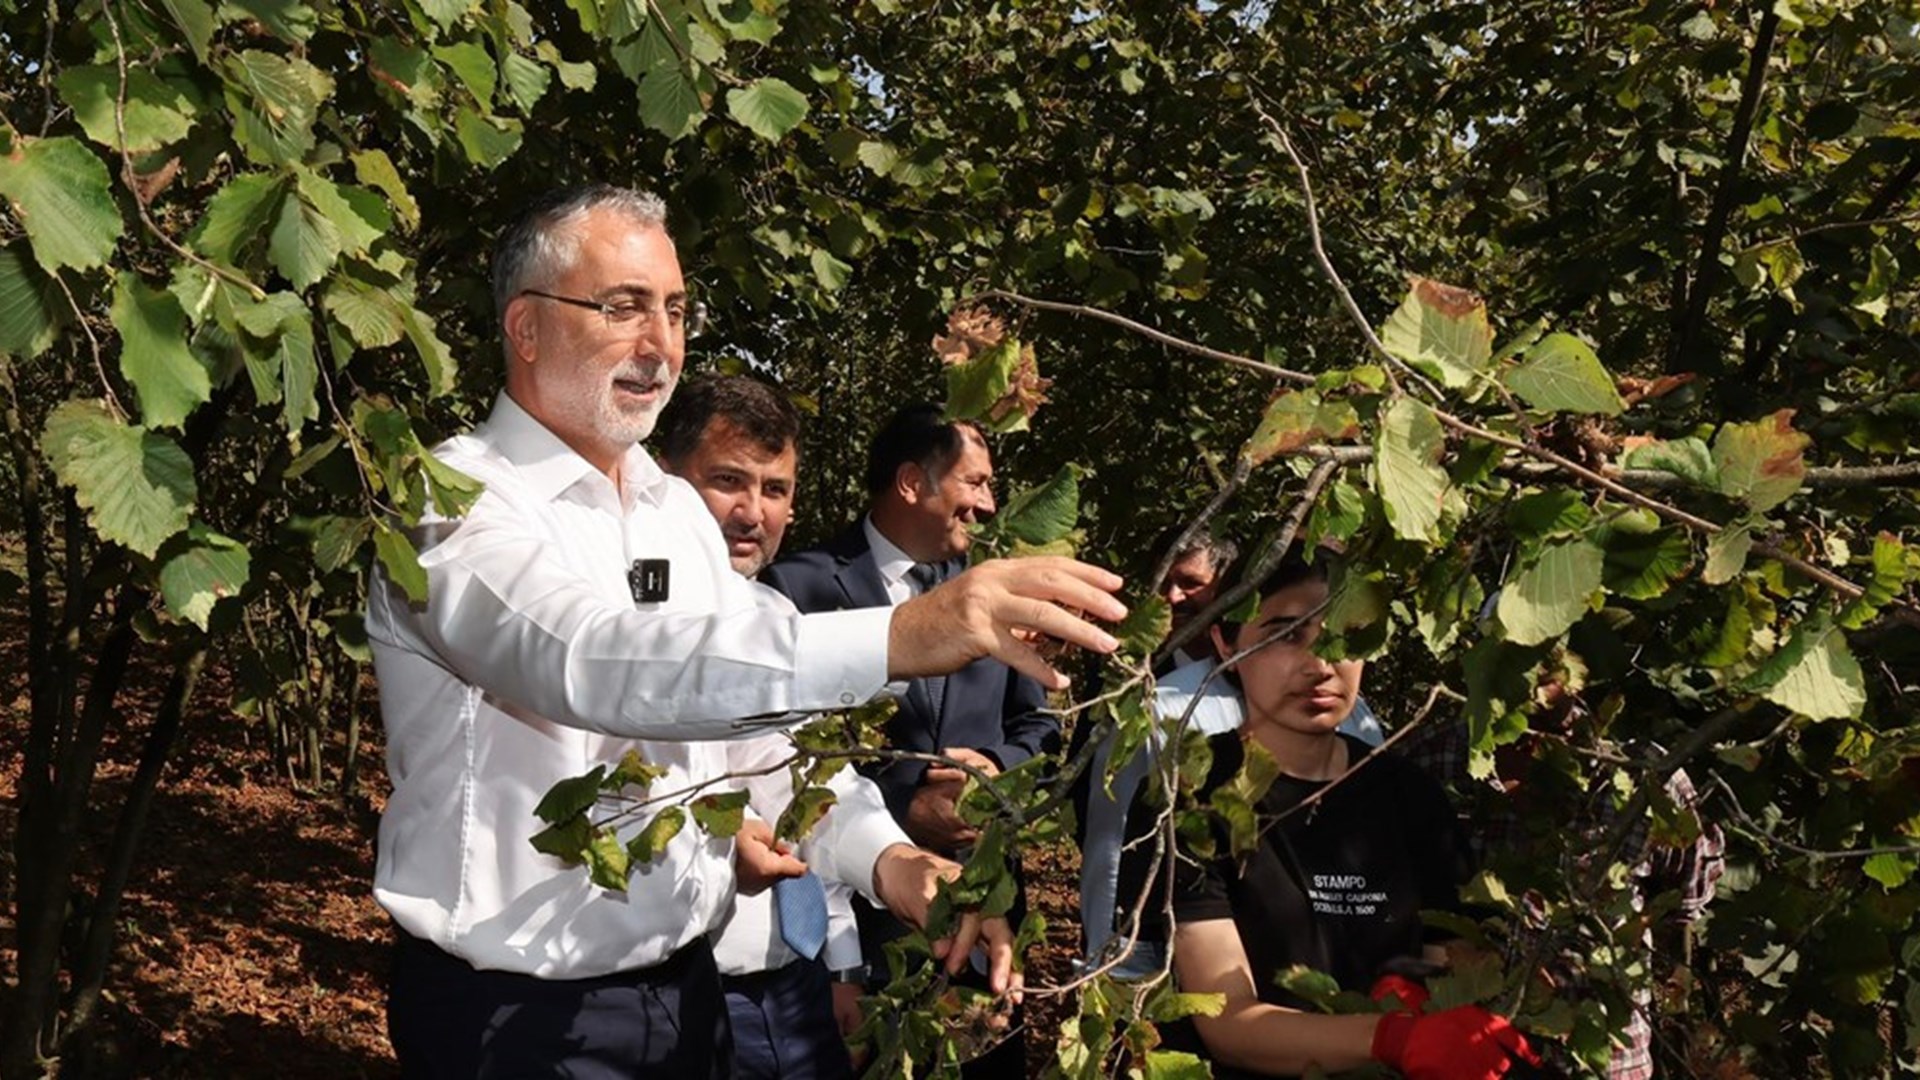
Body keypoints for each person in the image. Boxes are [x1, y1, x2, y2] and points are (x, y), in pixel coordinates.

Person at [366, 185, 1124, 1078]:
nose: (660, 344)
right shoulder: (449, 502)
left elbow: (765, 745)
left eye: (675, 311)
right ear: (526, 327)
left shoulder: (671, 514)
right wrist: (901, 634)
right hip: (513, 1021)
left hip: (689, 1000)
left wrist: (891, 863)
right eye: (624, 307)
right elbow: (585, 659)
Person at [658, 374, 985, 1079]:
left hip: (790, 984)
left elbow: (804, 777)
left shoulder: (771, 617)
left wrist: (894, 864)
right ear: (663, 479)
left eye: (775, 489)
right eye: (727, 481)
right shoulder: (604, 621)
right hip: (670, 990)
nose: (752, 512)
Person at [1112, 548, 1539, 1080]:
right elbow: (1228, 1020)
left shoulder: (1412, 796)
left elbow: (1453, 958)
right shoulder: (1188, 799)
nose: (1320, 665)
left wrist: (1432, 999)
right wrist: (1391, 1037)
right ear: (1226, 643)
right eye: (1285, 634)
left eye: (1345, 634)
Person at [761, 404, 1054, 1074]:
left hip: (984, 908)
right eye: (975, 482)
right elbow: (781, 756)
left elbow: (1038, 727)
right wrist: (904, 802)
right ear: (912, 483)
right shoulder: (798, 588)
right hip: (859, 926)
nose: (988, 503)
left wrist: (997, 768)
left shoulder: (995, 591)